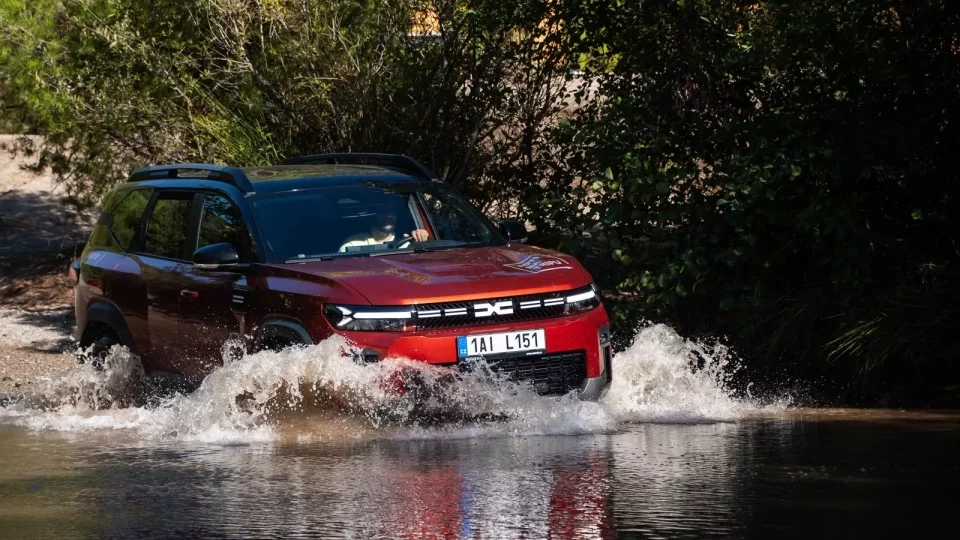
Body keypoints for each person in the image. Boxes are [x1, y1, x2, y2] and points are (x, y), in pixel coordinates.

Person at [339, 210, 429, 252]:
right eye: (383, 211)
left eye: (392, 211)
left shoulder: (408, 242)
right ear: (372, 216)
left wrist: (423, 238)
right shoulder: (352, 244)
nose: (389, 216)